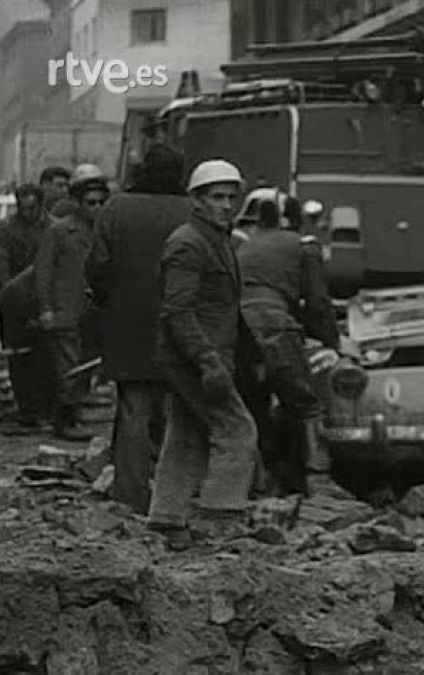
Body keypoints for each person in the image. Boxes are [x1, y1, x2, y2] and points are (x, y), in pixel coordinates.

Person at [148, 159, 258, 549]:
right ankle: (220, 517)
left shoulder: (215, 239)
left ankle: (167, 518)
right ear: (197, 200)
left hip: (197, 356)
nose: (226, 205)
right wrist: (209, 362)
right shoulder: (189, 243)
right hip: (196, 358)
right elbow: (177, 311)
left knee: (185, 434)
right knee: (237, 430)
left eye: (231, 197)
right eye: (217, 197)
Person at [87, 143, 191, 515]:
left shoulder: (117, 208)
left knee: (133, 409)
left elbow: (98, 266)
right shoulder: (191, 211)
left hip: (127, 325)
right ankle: (173, 496)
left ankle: (130, 495)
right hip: (180, 327)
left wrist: (106, 303)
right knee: (177, 414)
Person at [236, 197, 340, 496]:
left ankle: (254, 482)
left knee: (251, 405)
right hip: (275, 325)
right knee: (305, 404)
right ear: (297, 221)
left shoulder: (246, 246)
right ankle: (318, 480)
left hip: (236, 327)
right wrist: (332, 343)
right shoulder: (304, 246)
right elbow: (318, 302)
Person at [34, 165, 109, 441]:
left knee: (85, 367)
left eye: (101, 202)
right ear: (77, 203)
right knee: (68, 367)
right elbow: (43, 272)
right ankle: (64, 420)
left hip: (92, 312)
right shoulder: (59, 232)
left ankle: (73, 413)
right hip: (64, 309)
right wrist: (45, 308)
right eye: (91, 203)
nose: (97, 208)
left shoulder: (104, 233)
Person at [0, 184, 54, 429]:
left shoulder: (53, 228)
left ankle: (45, 407)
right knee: (18, 356)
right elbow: (3, 268)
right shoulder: (7, 230)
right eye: (23, 208)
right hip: (15, 300)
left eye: (32, 208)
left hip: (45, 299)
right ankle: (27, 409)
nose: (28, 213)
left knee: (46, 355)